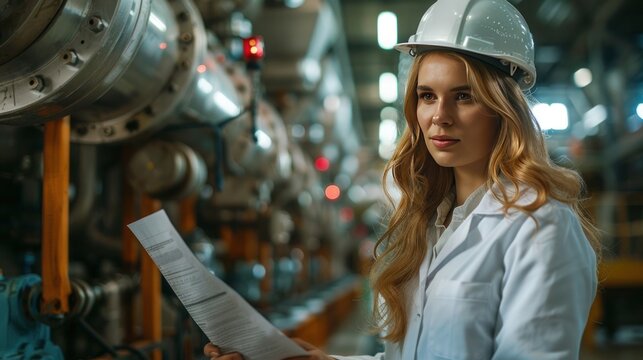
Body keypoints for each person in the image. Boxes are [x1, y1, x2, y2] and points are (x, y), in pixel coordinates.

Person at [204, 0, 600, 358]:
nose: (439, 116)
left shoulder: (540, 227)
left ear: (503, 108)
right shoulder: (425, 226)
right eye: (427, 96)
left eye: (464, 96)